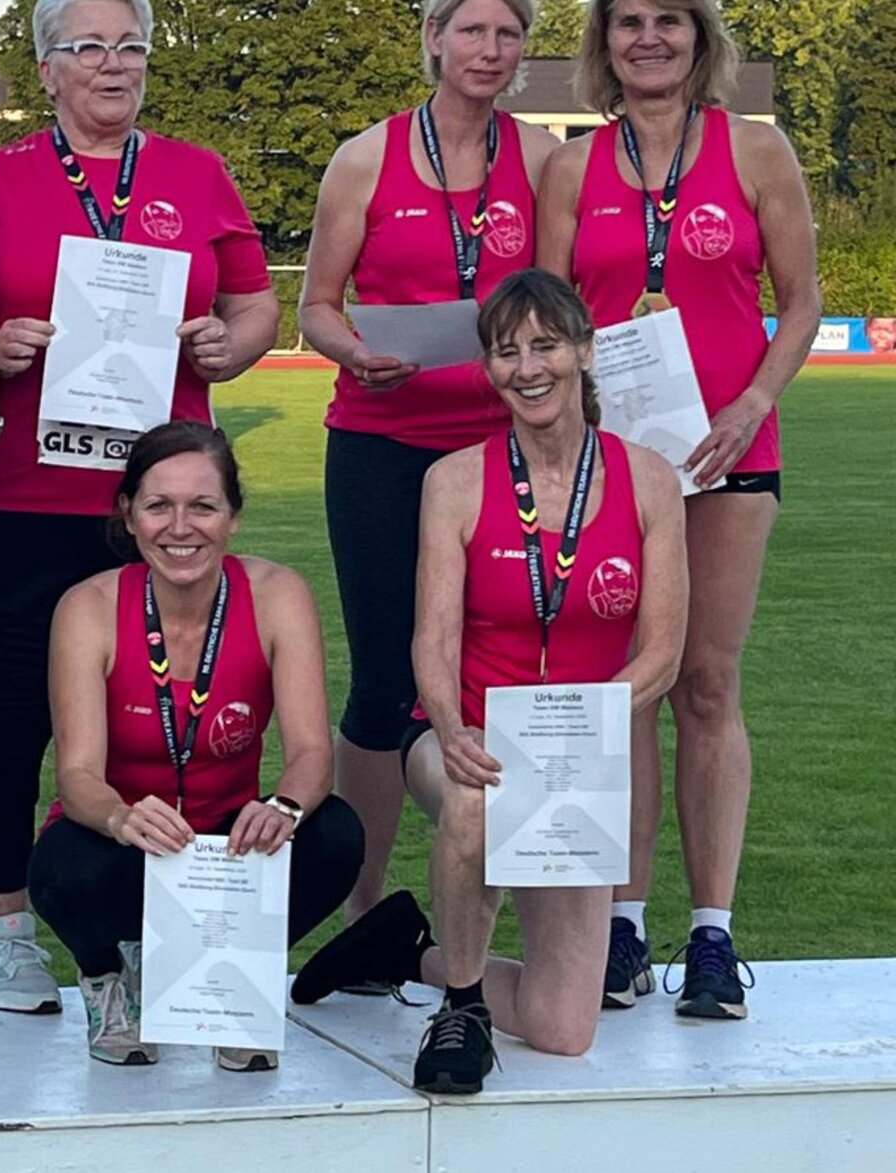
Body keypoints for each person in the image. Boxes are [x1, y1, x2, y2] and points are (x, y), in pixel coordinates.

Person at [0, 0, 279, 1015]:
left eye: (129, 45)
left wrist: (230, 344)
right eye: (87, 47)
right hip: (15, 494)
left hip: (160, 508)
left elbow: (254, 305)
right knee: (3, 716)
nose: (111, 65)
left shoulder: (195, 172)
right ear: (45, 69)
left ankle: (148, 929)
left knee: (162, 716)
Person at [292, 268, 688, 1094]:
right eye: (506, 351)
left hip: (576, 761)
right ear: (489, 368)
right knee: (475, 803)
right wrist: (453, 727)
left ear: (585, 351)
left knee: (563, 1027)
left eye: (545, 345)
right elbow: (430, 640)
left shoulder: (649, 478)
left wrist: (579, 732)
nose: (527, 367)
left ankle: (406, 949)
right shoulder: (456, 480)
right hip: (459, 738)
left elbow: (664, 651)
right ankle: (463, 1007)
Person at [538, 0, 820, 1017]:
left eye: (667, 21)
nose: (647, 39)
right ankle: (622, 925)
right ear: (603, 45)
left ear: (700, 37)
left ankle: (711, 934)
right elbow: (550, 315)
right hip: (615, 462)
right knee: (627, 689)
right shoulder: (573, 167)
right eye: (627, 23)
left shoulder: (755, 149)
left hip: (727, 452)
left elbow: (799, 300)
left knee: (705, 682)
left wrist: (752, 400)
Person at [298, 0, 560, 934]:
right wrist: (354, 353)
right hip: (379, 444)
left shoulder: (545, 161)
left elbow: (559, 306)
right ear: (434, 37)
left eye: (507, 35)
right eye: (472, 31)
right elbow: (314, 306)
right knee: (381, 679)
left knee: (504, 673)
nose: (489, 51)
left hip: (502, 453)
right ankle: (362, 907)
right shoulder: (364, 159)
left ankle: (528, 894)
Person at [29, 420, 363, 1072]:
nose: (180, 527)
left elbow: (311, 753)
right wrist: (122, 817)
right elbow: (77, 775)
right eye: (159, 505)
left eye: (203, 506)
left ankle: (235, 978)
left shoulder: (278, 595)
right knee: (62, 869)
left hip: (229, 845)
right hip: (129, 839)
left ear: (233, 516)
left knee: (335, 834)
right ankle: (110, 977)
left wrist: (283, 808)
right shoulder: (88, 607)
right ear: (129, 514)